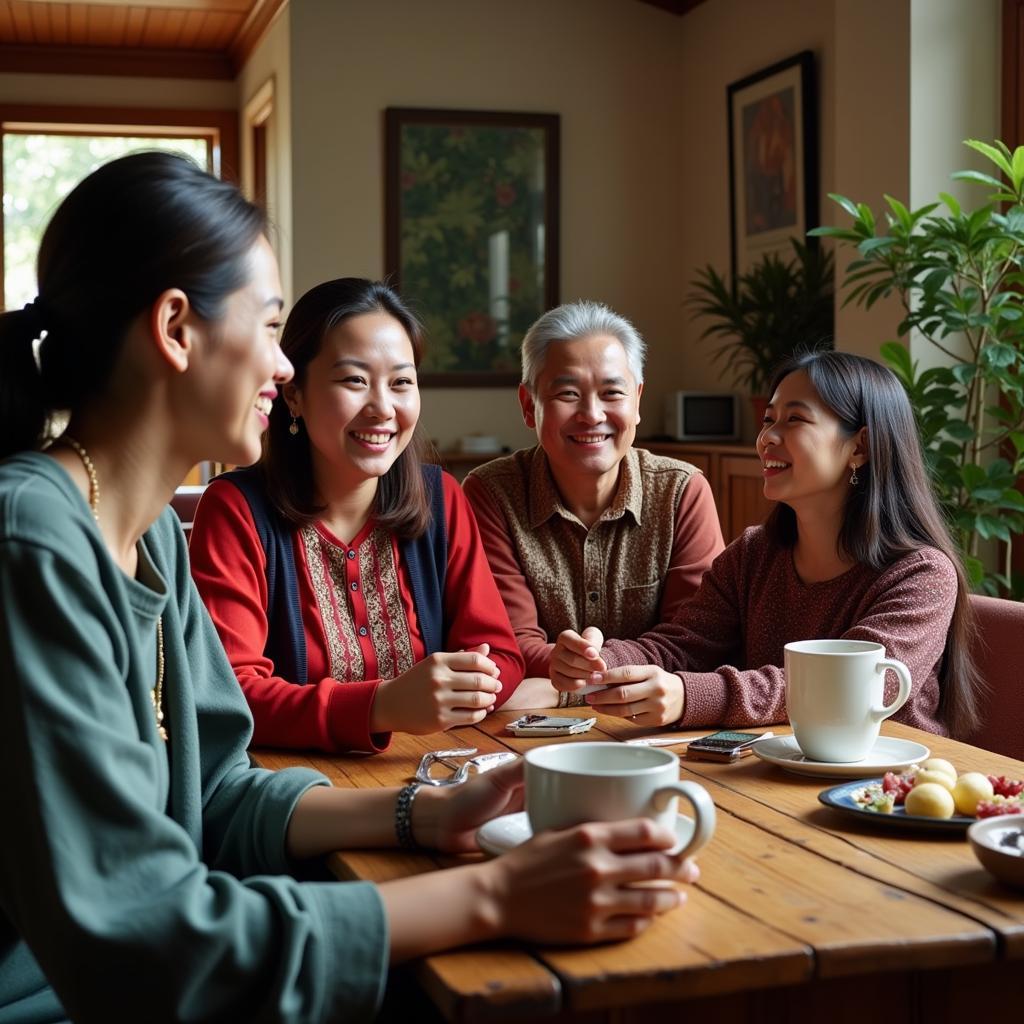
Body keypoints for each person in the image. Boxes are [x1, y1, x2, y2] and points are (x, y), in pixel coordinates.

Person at [0, 152, 699, 1023]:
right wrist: (495, 897)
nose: (284, 368)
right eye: (268, 328)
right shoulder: (34, 538)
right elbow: (147, 940)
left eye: (400, 381)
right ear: (177, 329)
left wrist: (424, 813)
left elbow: (216, 793)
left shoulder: (148, 541)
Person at [550, 350, 982, 738]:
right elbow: (684, 643)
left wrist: (692, 695)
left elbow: (849, 687)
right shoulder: (754, 554)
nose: (767, 438)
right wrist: (601, 658)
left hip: (884, 790)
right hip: (770, 772)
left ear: (861, 446)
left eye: (794, 419)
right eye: (768, 420)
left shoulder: (921, 573)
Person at [189, 278, 525, 754]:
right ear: (294, 394)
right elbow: (229, 693)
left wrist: (477, 681)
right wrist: (381, 706)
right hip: (292, 789)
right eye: (354, 380)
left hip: (439, 766)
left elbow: (500, 653)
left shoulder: (442, 498)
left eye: (402, 382)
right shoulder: (235, 510)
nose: (383, 408)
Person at [463, 301, 724, 708]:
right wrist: (580, 672)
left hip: (653, 729)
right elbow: (507, 645)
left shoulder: (681, 491)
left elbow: (696, 639)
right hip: (529, 735)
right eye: (568, 393)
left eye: (611, 393)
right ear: (529, 405)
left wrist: (579, 675)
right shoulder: (490, 493)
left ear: (636, 400)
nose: (591, 414)